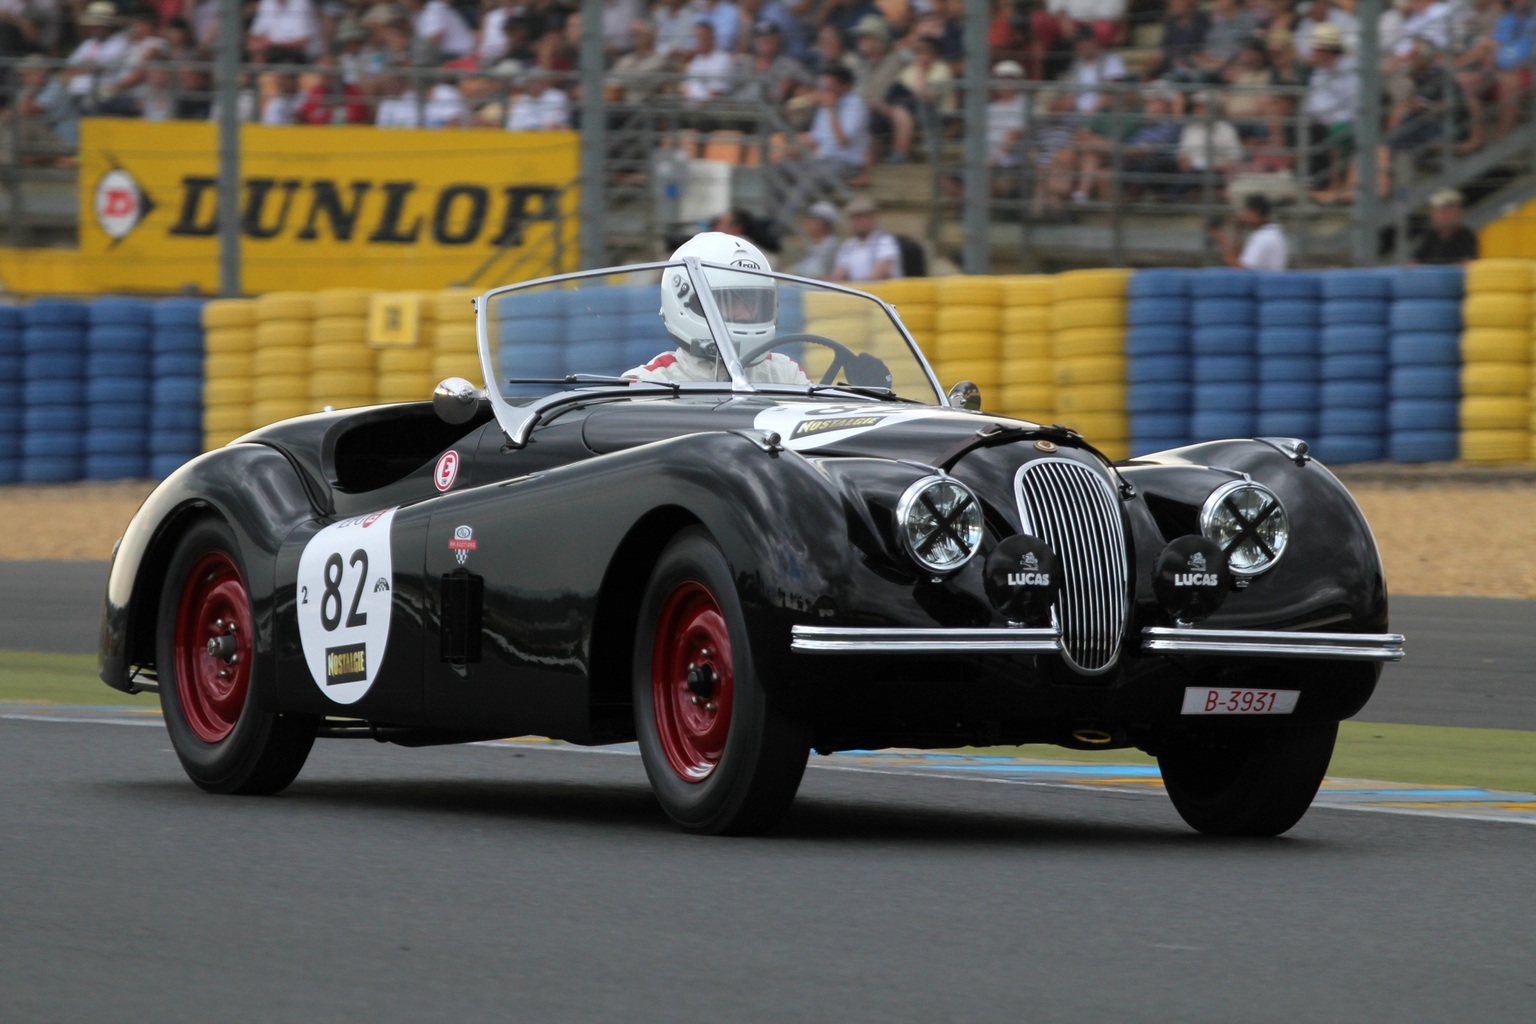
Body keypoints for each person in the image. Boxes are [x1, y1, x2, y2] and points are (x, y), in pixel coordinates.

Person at [624, 232, 811, 384]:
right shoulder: (649, 384)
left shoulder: (784, 374)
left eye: (753, 303)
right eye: (730, 303)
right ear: (689, 304)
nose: (746, 314)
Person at [831, 195, 901, 282]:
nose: (855, 222)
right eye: (853, 218)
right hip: (857, 293)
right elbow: (838, 275)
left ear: (872, 218)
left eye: (860, 217)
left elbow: (879, 273)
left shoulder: (885, 242)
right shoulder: (848, 245)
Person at [1211, 192, 1288, 270]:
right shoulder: (1272, 232)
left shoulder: (1264, 237)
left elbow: (1241, 269)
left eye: (1246, 212)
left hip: (1264, 281)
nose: (1244, 216)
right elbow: (1240, 258)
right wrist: (1238, 230)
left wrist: (1222, 241)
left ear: (1255, 213)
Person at [1412, 187, 1478, 264]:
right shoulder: (1429, 235)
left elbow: (1468, 263)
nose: (1446, 216)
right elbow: (1414, 263)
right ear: (1432, 213)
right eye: (1442, 212)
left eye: (1450, 211)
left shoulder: (1466, 235)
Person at [795, 200, 841, 278]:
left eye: (812, 220)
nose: (806, 223)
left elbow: (817, 273)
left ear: (823, 224)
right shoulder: (813, 245)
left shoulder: (831, 246)